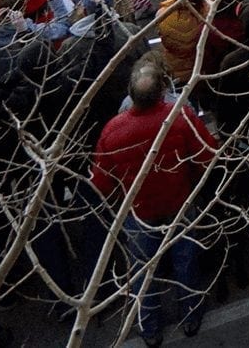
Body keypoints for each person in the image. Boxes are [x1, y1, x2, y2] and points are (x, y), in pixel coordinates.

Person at [89, 62, 217, 347]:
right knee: (185, 261)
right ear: (162, 90)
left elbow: (101, 182)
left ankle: (149, 327)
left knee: (142, 272)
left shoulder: (113, 131)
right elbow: (206, 156)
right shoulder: (179, 116)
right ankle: (191, 314)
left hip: (139, 212)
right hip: (179, 204)